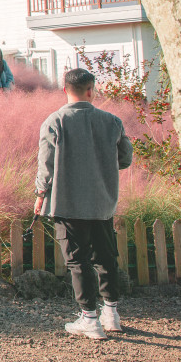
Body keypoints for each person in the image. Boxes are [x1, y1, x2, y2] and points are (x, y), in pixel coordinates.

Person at [34, 67, 133, 339]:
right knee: (106, 257)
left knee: (78, 261)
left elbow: (46, 165)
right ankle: (111, 313)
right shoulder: (112, 121)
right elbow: (125, 158)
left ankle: (89, 318)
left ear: (64, 89)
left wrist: (40, 194)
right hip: (102, 202)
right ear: (91, 91)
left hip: (68, 203)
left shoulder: (54, 122)